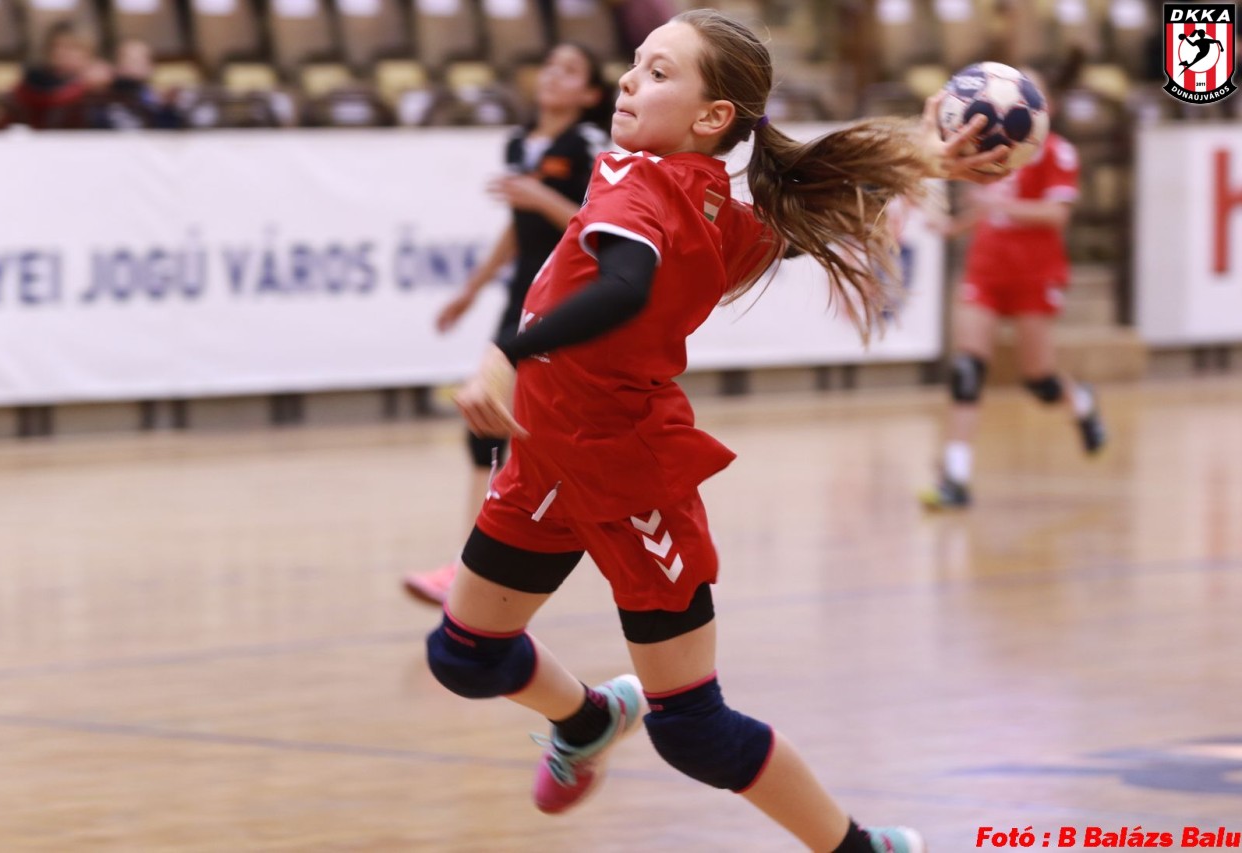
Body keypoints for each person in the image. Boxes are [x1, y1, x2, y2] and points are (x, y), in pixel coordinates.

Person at [425, 10, 1003, 851]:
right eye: (636, 63)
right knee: (465, 654)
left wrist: (506, 352)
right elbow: (787, 236)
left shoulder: (643, 190)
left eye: (659, 72)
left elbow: (626, 285)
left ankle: (861, 847)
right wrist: (917, 159)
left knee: (693, 728)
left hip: (627, 474)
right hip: (545, 460)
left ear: (713, 116)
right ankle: (588, 718)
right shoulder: (692, 194)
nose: (630, 80)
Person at [404, 43, 611, 604]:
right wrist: (471, 290)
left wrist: (541, 197)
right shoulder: (519, 143)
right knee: (491, 425)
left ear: (590, 93)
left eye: (570, 70)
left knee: (507, 425)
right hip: (520, 298)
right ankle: (473, 566)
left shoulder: (588, 145)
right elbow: (517, 229)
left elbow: (598, 228)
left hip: (565, 303)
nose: (553, 75)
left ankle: (478, 568)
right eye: (550, 65)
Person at [919, 72, 1106, 511]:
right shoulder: (994, 149)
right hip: (986, 268)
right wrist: (954, 226)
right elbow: (986, 209)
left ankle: (1079, 402)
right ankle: (956, 476)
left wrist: (999, 205)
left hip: (1034, 273)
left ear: (1043, 109)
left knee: (1039, 379)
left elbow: (1055, 215)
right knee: (967, 368)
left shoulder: (1057, 152)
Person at [3, 22, 110, 130]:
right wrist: (82, 86)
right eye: (55, 47)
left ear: (88, 52)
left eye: (70, 48)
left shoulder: (104, 81)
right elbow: (49, 102)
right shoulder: (35, 79)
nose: (61, 53)